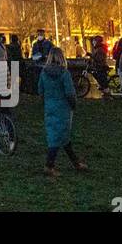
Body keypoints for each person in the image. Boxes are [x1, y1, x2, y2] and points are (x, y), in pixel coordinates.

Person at [38, 47, 86, 176]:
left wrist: (45, 103)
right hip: (63, 108)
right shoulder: (64, 74)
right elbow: (70, 92)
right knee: (59, 136)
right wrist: (73, 105)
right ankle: (49, 164)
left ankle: (75, 161)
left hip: (49, 107)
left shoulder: (43, 73)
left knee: (59, 135)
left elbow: (40, 91)